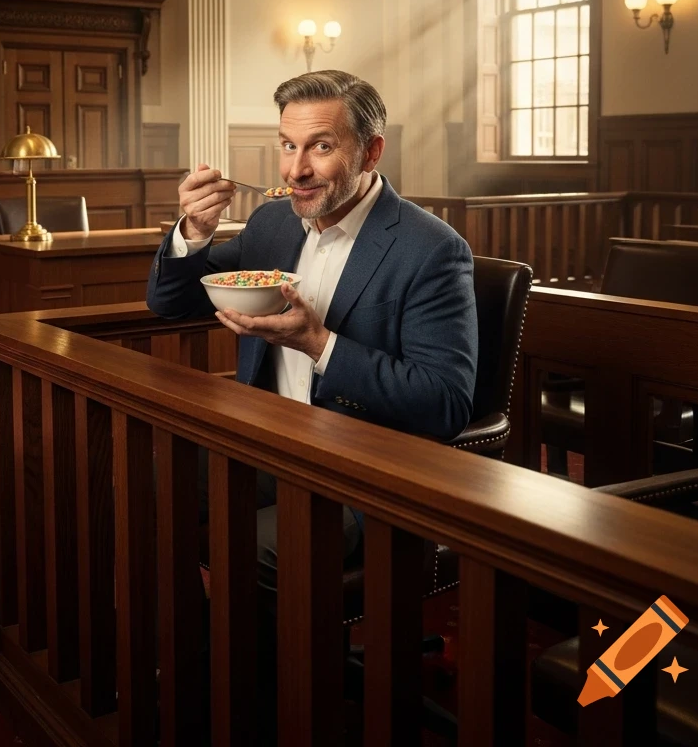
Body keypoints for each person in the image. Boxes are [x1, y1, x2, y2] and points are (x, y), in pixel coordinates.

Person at [146, 68, 477, 618]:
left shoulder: (432, 250)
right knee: (147, 484)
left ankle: (271, 691)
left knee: (247, 547)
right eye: (288, 146)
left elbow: (445, 403)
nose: (296, 169)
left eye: (321, 147)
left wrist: (318, 342)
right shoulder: (271, 223)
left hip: (368, 473)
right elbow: (171, 303)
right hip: (268, 441)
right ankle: (198, 653)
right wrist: (195, 233)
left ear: (371, 152)